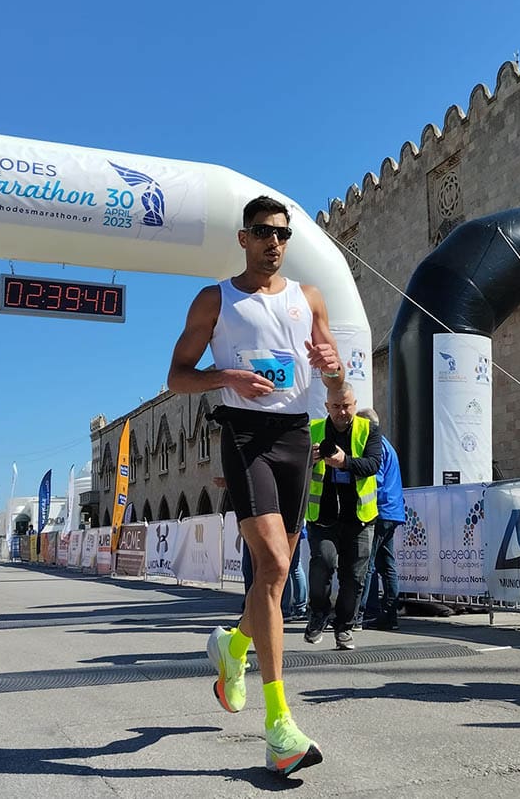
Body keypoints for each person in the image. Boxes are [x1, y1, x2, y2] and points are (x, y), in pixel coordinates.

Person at [168, 194, 343, 775]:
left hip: (296, 437)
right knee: (272, 565)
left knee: (276, 576)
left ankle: (233, 646)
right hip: (244, 435)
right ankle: (279, 727)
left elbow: (334, 375)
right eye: (264, 232)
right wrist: (229, 377)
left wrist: (334, 373)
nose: (274, 242)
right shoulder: (215, 299)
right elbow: (177, 376)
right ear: (244, 238)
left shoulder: (308, 298)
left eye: (283, 234)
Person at [304, 384, 381, 650]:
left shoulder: (368, 429)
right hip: (322, 517)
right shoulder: (312, 430)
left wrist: (344, 462)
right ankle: (319, 613)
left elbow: (373, 464)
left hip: (359, 518)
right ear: (327, 407)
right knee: (322, 564)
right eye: (336, 406)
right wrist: (309, 459)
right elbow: (292, 465)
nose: (342, 412)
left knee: (354, 577)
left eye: (347, 406)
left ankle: (345, 627)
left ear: (355, 404)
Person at [354, 408, 405, 631]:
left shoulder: (376, 447)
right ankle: (390, 616)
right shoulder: (388, 446)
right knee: (387, 565)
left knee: (366, 563)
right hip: (392, 511)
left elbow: (375, 479)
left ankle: (358, 614)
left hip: (379, 510)